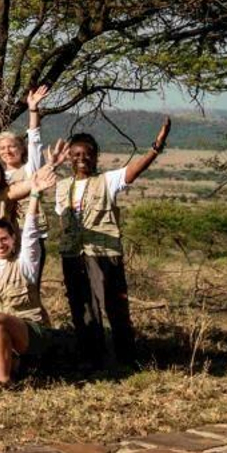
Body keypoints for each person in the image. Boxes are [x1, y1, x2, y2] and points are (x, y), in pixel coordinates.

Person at [54, 118, 170, 367]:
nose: (81, 158)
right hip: (73, 254)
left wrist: (155, 148)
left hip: (103, 253)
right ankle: (90, 357)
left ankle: (122, 358)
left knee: (111, 304)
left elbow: (134, 170)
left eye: (87, 153)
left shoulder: (107, 180)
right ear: (69, 158)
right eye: (75, 154)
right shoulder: (62, 186)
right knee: (81, 305)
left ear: (95, 157)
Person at [0, 162, 59, 388]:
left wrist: (35, 194)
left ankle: (4, 378)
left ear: (13, 239)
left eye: (4, 239)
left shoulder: (26, 262)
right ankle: (16, 364)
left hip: (28, 329)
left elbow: (31, 230)